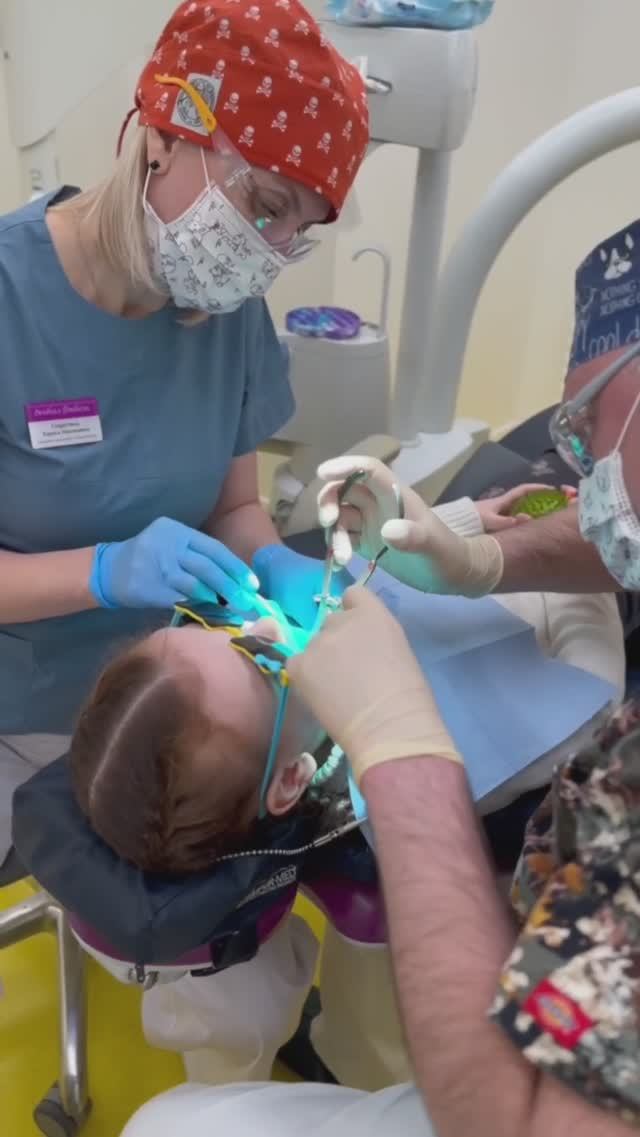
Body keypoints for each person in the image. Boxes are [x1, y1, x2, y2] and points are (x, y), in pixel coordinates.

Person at [0, 0, 369, 867]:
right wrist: (103, 571)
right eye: (266, 206)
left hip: (180, 717)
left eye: (296, 233)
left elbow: (233, 506)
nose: (267, 250)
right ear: (166, 134)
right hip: (18, 713)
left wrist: (274, 563)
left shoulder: (227, 308)